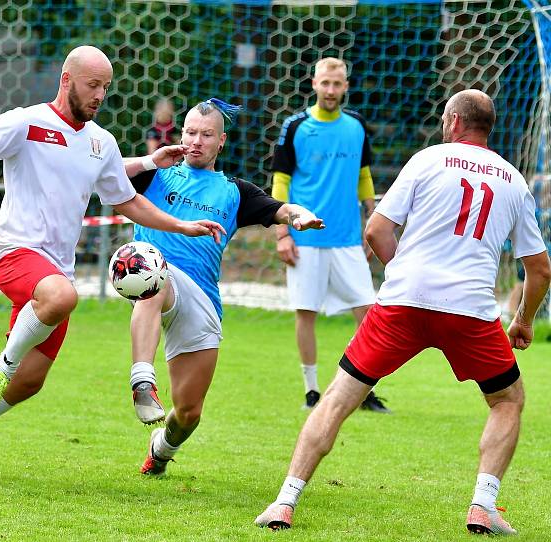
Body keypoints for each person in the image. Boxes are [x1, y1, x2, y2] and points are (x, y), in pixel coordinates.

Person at [0, 45, 225, 476]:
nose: (99, 95)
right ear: (66, 79)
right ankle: (0, 366)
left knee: (30, 381)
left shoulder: (101, 142)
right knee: (61, 298)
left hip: (54, 271)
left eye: (106, 88)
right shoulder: (27, 121)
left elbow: (127, 201)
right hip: (15, 254)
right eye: (92, 85)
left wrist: (182, 226)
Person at [255, 89, 551, 535]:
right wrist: (523, 319)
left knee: (337, 398)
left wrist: (405, 275)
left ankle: (284, 501)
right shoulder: (513, 180)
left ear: (452, 121)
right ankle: (482, 505)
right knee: (507, 401)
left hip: (401, 304)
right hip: (470, 310)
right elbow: (539, 267)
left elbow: (376, 229)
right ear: (488, 127)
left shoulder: (427, 159)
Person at [126, 98, 324, 475]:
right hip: (156, 272)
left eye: (206, 134)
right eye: (189, 132)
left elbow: (283, 208)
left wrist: (301, 216)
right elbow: (100, 170)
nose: (195, 141)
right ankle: (142, 380)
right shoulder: (156, 173)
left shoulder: (236, 191)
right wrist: (150, 160)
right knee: (154, 273)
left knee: (188, 412)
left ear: (222, 141)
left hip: (201, 296)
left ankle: (161, 450)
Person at [271, 57, 389, 412]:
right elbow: (281, 181)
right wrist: (282, 233)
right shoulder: (295, 126)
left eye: (337, 84)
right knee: (306, 312)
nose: (331, 90)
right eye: (325, 83)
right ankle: (311, 391)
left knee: (368, 313)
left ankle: (362, 389)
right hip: (305, 237)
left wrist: (371, 224)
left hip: (348, 238)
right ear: (314, 84)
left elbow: (364, 176)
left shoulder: (356, 126)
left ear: (346, 86)